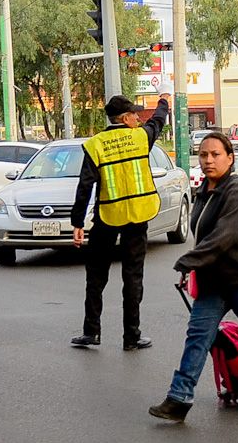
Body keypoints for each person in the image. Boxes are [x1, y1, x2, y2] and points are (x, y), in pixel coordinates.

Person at [150, 132, 238, 422]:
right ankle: (179, 398)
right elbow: (203, 236)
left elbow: (224, 237)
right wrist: (195, 267)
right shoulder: (205, 189)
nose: (208, 160)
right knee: (198, 335)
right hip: (214, 278)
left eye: (215, 154)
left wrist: (189, 261)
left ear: (230, 158)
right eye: (203, 155)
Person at [70, 93, 170, 350]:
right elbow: (158, 121)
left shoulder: (96, 144)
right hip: (137, 216)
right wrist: (163, 101)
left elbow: (85, 185)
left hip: (107, 217)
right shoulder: (141, 137)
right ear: (125, 118)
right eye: (134, 114)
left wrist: (77, 222)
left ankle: (91, 332)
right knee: (133, 277)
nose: (138, 118)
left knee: (96, 276)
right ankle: (131, 337)